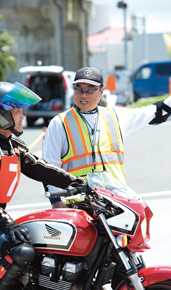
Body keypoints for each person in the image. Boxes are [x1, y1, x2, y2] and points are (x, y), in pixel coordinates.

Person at [0, 82, 84, 290]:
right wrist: (7, 223)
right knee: (21, 250)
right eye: (17, 111)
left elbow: (39, 168)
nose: (23, 116)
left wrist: (75, 182)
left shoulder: (12, 144)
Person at [43, 66, 171, 208]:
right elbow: (49, 168)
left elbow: (156, 112)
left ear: (101, 91)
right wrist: (58, 205)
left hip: (117, 205)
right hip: (78, 207)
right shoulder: (59, 123)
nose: (83, 94)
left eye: (90, 89)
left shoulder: (117, 116)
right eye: (78, 88)